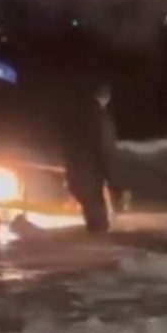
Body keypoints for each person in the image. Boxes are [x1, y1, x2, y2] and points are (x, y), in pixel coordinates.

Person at [62, 82, 127, 234]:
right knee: (99, 226)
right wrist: (117, 186)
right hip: (89, 180)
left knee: (93, 222)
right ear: (106, 98)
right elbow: (106, 153)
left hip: (74, 177)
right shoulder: (101, 119)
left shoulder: (75, 117)